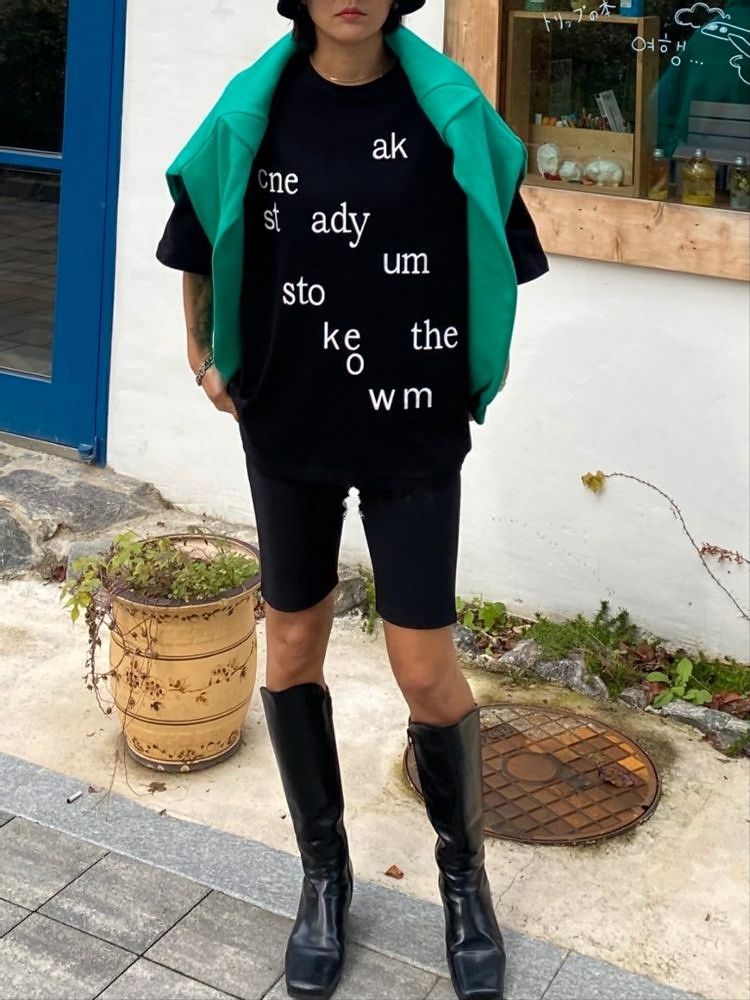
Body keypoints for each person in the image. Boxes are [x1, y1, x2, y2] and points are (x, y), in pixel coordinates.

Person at [156, 3, 548, 998]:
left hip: (413, 428)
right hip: (290, 423)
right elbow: (196, 232)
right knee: (292, 646)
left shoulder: (447, 110)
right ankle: (323, 878)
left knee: (424, 668)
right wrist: (202, 356)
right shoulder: (252, 110)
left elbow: (502, 245)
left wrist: (471, 369)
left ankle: (463, 881)